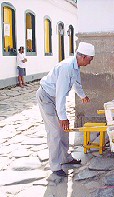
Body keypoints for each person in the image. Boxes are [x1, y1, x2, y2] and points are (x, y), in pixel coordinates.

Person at [36, 42, 95, 177]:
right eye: (90, 60)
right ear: (84, 57)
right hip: (46, 97)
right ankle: (55, 165)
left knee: (64, 129)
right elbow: (61, 94)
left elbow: (77, 83)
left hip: (54, 97)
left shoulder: (75, 66)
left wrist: (83, 96)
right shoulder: (66, 67)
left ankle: (65, 157)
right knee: (55, 131)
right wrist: (63, 117)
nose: (90, 63)